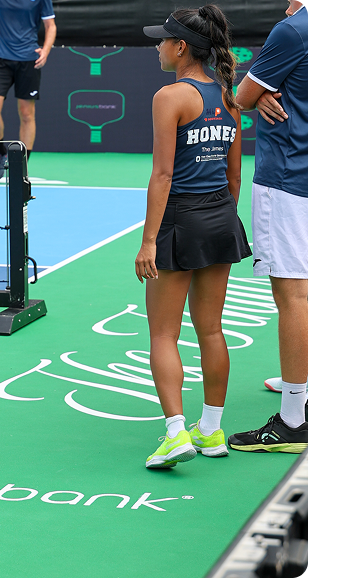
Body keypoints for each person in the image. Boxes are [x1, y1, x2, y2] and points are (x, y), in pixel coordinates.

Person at [137, 5, 251, 469]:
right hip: (221, 218)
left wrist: (148, 242)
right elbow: (234, 175)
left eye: (163, 39)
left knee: (163, 333)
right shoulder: (228, 97)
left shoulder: (170, 97)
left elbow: (162, 175)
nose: (158, 46)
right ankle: (211, 429)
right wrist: (221, 219)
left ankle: (174, 434)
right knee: (211, 329)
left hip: (180, 222)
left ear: (181, 47)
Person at [227, 0, 308, 453]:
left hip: (291, 178)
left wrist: (257, 95)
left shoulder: (294, 30)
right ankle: (304, 378)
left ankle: (295, 419)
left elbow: (239, 98)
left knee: (294, 294)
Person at [0, 0, 56, 179]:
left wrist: (46, 50)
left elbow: (50, 26)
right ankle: (1, 152)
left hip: (29, 59)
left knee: (26, 114)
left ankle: (21, 166)